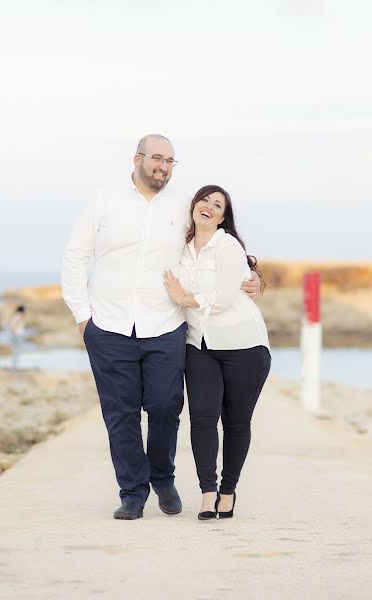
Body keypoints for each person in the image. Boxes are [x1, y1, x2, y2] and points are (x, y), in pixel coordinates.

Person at [61, 134, 261, 520]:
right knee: (120, 413)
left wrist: (253, 277)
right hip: (108, 323)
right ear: (136, 159)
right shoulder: (104, 199)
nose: (163, 166)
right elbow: (75, 257)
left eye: (170, 161)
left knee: (166, 406)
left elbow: (217, 242)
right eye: (156, 158)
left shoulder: (184, 203)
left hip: (166, 324)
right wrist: (82, 317)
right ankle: (132, 492)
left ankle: (162, 476)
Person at [163, 185, 271, 520]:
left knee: (236, 423)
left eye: (217, 204)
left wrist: (183, 298)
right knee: (202, 420)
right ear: (193, 206)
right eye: (204, 200)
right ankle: (208, 493)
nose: (208, 206)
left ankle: (228, 491)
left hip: (245, 346)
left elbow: (223, 299)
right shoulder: (177, 247)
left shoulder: (227, 246)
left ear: (224, 217)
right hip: (200, 346)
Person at [8, 305, 26, 369]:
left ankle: (13, 365)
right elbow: (18, 322)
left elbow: (8, 324)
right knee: (17, 351)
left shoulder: (13, 315)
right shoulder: (21, 315)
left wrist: (12, 329)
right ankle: (15, 366)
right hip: (18, 334)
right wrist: (14, 328)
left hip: (13, 334)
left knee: (14, 350)